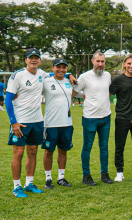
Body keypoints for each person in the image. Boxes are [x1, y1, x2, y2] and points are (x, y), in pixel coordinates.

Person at [5, 48, 76, 197]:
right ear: (26, 60)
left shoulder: (41, 74)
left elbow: (55, 74)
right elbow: (8, 99)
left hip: (37, 121)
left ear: (39, 60)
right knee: (18, 153)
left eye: (36, 58)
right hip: (21, 122)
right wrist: (13, 122)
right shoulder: (18, 75)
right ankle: (16, 187)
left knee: (33, 151)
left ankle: (29, 184)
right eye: (31, 57)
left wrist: (69, 74)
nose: (34, 60)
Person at [72, 51, 113, 186]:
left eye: (102, 62)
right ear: (92, 61)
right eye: (98, 61)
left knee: (104, 147)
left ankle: (104, 174)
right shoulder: (84, 77)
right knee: (87, 147)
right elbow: (74, 92)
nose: (100, 64)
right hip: (90, 118)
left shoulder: (107, 75)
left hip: (105, 117)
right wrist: (82, 95)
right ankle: (86, 176)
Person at [109, 54, 132, 182]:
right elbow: (108, 93)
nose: (131, 66)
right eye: (129, 63)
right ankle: (119, 172)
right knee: (120, 146)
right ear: (124, 64)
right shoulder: (118, 80)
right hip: (122, 117)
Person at [42, 58, 74, 189]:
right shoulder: (46, 81)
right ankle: (48, 179)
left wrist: (69, 75)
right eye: (58, 67)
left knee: (63, 151)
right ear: (52, 67)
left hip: (67, 123)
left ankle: (61, 177)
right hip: (50, 124)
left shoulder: (70, 81)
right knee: (49, 151)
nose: (61, 69)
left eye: (64, 67)